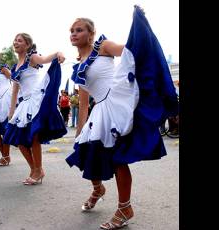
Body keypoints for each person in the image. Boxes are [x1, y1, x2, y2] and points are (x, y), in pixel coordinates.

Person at [64, 6, 178, 229]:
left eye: (79, 30)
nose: (74, 34)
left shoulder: (103, 47)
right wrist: (79, 130)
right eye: (72, 31)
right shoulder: (78, 66)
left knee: (118, 159)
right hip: (100, 112)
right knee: (84, 154)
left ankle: (124, 207)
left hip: (118, 103)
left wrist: (140, 28)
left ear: (91, 33)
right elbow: (85, 101)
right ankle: (98, 189)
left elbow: (129, 51)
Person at [3, 33, 67, 185]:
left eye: (20, 40)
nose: (16, 42)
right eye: (15, 40)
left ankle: (37, 170)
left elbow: (46, 59)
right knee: (18, 139)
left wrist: (59, 53)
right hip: (24, 103)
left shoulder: (32, 57)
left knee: (34, 137)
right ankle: (36, 169)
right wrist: (11, 110)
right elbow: (15, 90)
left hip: (36, 99)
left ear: (27, 45)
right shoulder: (16, 66)